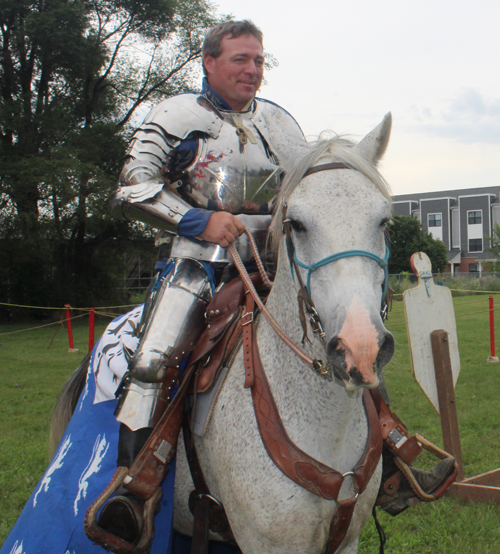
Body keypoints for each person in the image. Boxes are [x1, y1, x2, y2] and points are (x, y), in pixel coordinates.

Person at [0, 19, 456, 554]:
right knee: (154, 357)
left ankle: (391, 456)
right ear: (209, 61)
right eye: (241, 59)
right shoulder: (175, 116)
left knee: (349, 334)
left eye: (259, 60)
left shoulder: (282, 125)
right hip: (199, 265)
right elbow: (131, 186)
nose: (253, 69)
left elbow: (308, 193)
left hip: (271, 268)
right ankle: (135, 487)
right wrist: (199, 221)